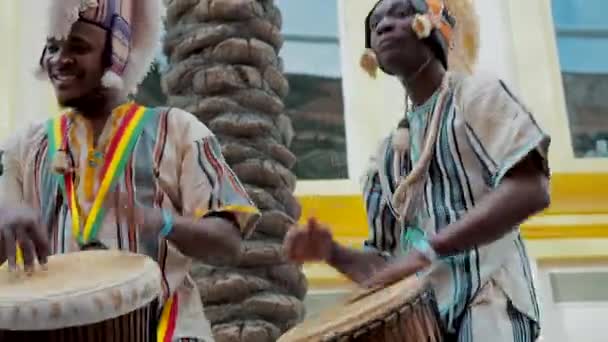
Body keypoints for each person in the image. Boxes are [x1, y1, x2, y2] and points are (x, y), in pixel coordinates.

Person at [283, 0, 551, 341]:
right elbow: (386, 269)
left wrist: (429, 250)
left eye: (401, 13)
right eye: (376, 23)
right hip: (424, 323)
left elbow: (531, 189)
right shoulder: (384, 159)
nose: (383, 26)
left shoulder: (477, 95)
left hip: (490, 299)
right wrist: (332, 253)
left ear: (432, 26)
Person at [0, 0, 260, 341]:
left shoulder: (178, 131)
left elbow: (228, 243)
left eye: (78, 47)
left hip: (167, 331)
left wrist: (163, 222)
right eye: (52, 47)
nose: (59, 59)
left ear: (116, 56)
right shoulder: (24, 147)